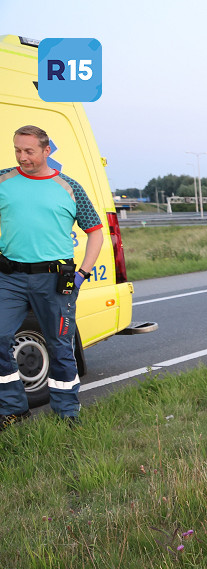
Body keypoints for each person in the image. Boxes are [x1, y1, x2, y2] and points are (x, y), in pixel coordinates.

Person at [0, 125, 103, 429]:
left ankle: (67, 414)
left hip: (55, 279)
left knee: (60, 347)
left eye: (29, 151)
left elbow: (96, 231)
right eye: (18, 150)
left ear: (47, 151)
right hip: (10, 278)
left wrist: (83, 272)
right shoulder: (3, 180)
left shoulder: (69, 187)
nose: (22, 157)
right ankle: (14, 408)